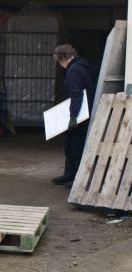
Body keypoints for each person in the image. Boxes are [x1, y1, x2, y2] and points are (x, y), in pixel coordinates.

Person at [52, 44, 95, 188]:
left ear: (64, 58)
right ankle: (69, 175)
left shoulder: (74, 70)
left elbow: (76, 94)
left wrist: (73, 117)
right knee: (70, 145)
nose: (60, 65)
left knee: (76, 147)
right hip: (83, 113)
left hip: (79, 115)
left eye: (59, 61)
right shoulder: (82, 66)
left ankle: (77, 179)